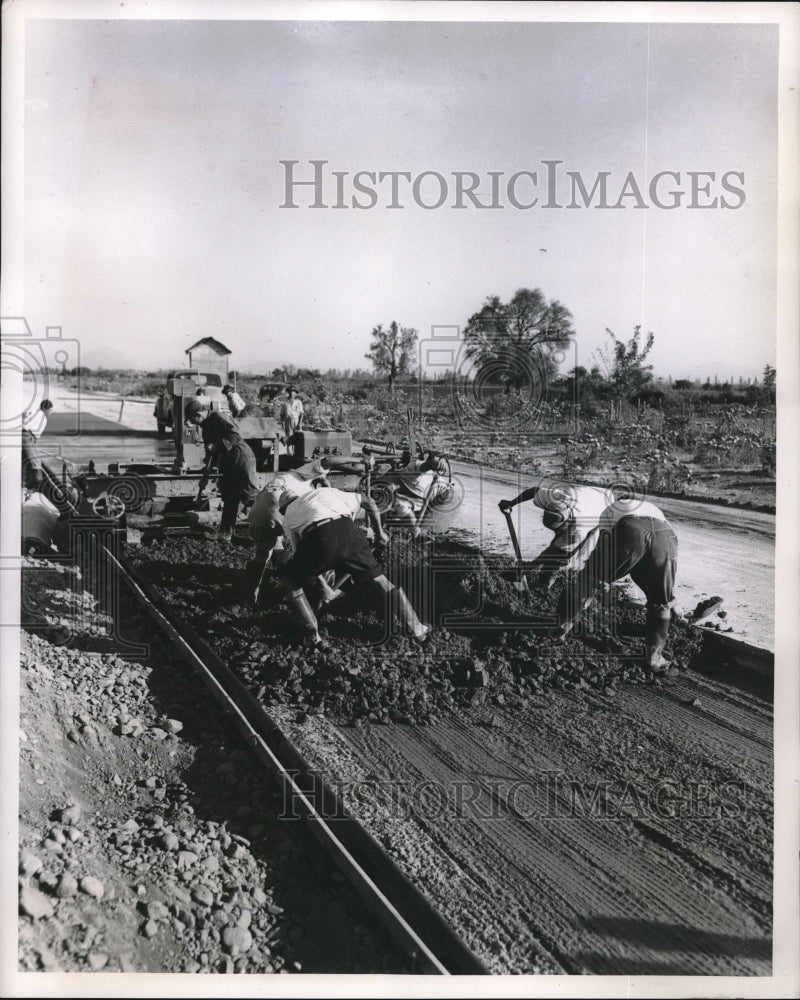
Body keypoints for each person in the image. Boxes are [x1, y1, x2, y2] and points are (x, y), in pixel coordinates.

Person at [276, 481, 431, 649]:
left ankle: (313, 637)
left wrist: (323, 585)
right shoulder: (325, 492)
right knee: (381, 580)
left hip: (318, 537)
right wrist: (380, 533)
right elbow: (368, 501)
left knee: (292, 579)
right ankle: (418, 630)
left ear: (284, 508)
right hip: (350, 532)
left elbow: (303, 554)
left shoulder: (288, 517)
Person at [550, 496, 678, 671]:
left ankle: (561, 629)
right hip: (666, 535)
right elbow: (651, 554)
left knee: (586, 581)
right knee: (661, 602)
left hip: (631, 530)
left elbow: (602, 545)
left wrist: (594, 576)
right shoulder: (654, 510)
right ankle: (654, 659)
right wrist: (667, 597)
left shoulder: (611, 510)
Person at [498, 482, 613, 587]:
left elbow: (563, 551)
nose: (556, 532)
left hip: (606, 507)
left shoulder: (580, 528)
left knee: (561, 555)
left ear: (567, 522)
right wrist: (511, 503)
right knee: (558, 545)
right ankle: (544, 574)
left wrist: (528, 567)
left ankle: (546, 583)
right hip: (590, 492)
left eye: (558, 529)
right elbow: (534, 491)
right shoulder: (554, 498)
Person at [185, 398, 258, 543]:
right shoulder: (205, 428)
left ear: (198, 414)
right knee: (230, 496)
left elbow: (235, 435)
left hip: (241, 457)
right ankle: (225, 534)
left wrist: (217, 444)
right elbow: (210, 454)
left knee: (250, 494)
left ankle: (264, 532)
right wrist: (206, 474)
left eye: (194, 421)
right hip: (228, 462)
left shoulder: (219, 417)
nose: (194, 424)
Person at [21, 399, 54, 490]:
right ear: (45, 408)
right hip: (27, 437)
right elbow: (35, 436)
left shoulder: (30, 411)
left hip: (20, 435)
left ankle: (24, 484)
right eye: (50, 410)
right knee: (35, 464)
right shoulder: (43, 418)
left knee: (24, 461)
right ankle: (31, 486)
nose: (50, 413)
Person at [279, 385, 304, 449]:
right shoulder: (285, 402)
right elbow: (282, 414)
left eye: (293, 392)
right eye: (290, 392)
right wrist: (282, 423)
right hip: (288, 420)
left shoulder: (298, 402)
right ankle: (289, 453)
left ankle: (296, 453)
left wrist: (300, 423)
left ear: (295, 393)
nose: (291, 393)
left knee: (297, 436)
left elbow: (301, 413)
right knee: (288, 437)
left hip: (296, 420)